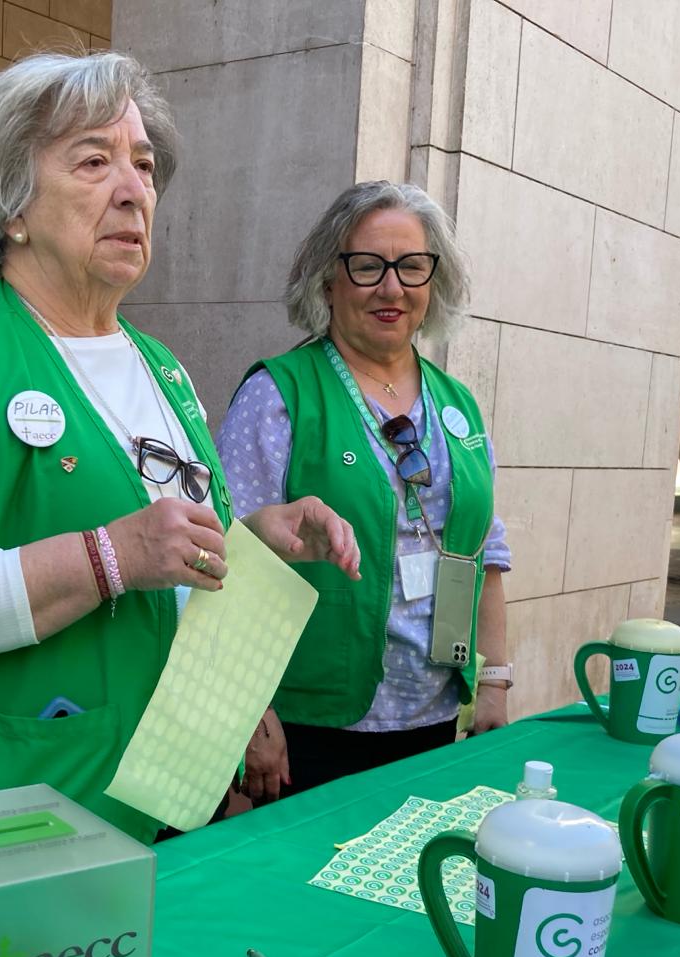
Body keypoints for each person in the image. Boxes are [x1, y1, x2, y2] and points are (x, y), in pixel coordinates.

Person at [0, 52, 360, 843]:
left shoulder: (160, 367)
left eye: (145, 166)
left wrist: (250, 542)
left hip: (155, 796)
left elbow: (171, 561)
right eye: (94, 160)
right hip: (2, 821)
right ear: (12, 205)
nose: (134, 190)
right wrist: (105, 558)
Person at [218, 181, 513, 803]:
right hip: (312, 725)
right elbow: (228, 557)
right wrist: (251, 712)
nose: (392, 287)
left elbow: (488, 552)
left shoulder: (456, 404)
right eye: (367, 266)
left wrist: (494, 683)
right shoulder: (279, 394)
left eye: (411, 266)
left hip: (434, 711)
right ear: (328, 280)